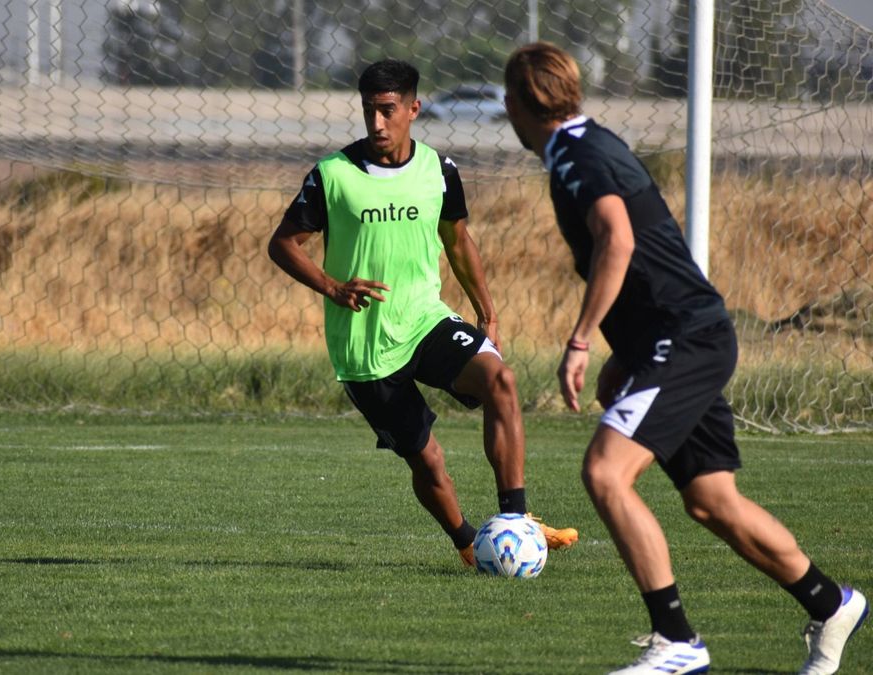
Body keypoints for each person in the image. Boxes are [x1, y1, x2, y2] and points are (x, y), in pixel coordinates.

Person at [503, 41, 866, 674]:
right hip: (681, 336)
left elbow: (616, 238)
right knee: (710, 501)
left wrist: (583, 339)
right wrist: (628, 353)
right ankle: (830, 602)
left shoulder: (573, 155)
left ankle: (677, 642)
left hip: (686, 338)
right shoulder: (590, 142)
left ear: (515, 103)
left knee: (606, 474)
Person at [268, 59, 577, 566]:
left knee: (501, 380)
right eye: (369, 111)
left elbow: (457, 240)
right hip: (365, 347)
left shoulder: (439, 170)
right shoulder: (333, 176)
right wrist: (332, 286)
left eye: (388, 111)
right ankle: (467, 545)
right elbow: (283, 245)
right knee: (429, 461)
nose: (377, 124)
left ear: (413, 109)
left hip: (424, 319)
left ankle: (516, 520)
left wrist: (486, 310)